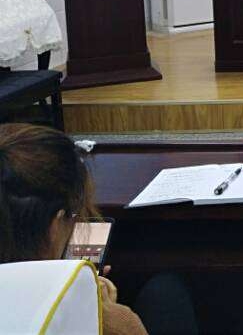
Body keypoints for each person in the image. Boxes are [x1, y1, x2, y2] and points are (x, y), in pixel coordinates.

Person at [0, 123, 197, 335]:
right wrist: (100, 308)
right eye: (73, 216)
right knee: (165, 292)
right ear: (55, 226)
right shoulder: (110, 323)